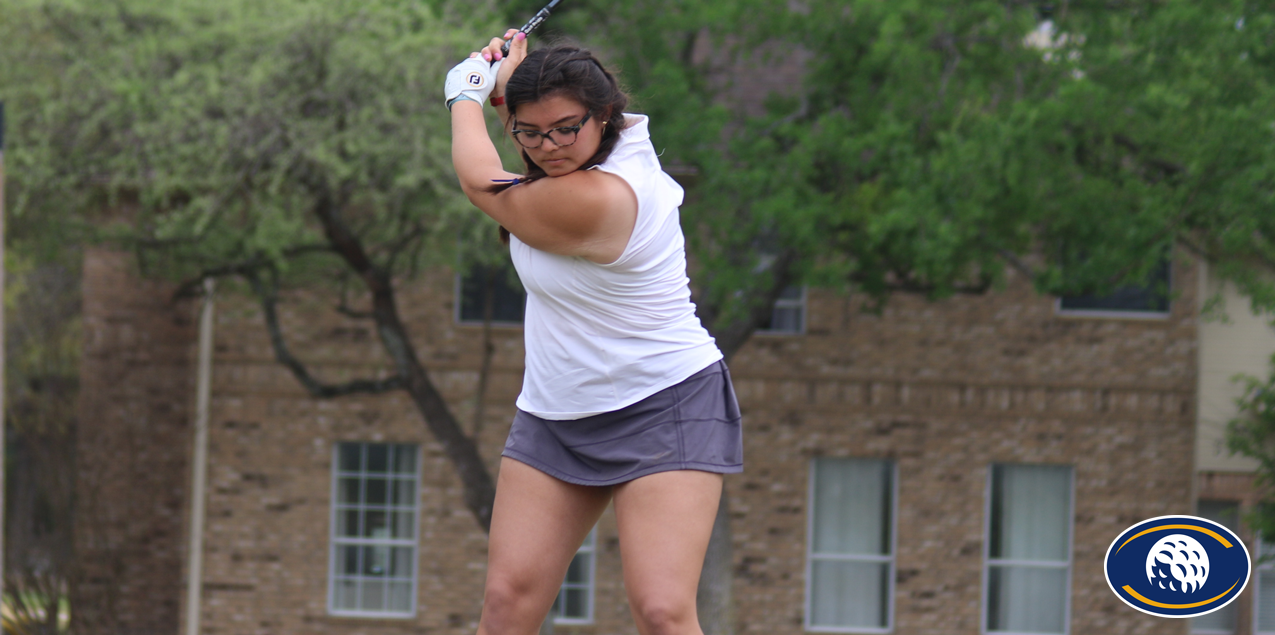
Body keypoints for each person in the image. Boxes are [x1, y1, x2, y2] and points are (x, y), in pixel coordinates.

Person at [446, 28, 743, 635]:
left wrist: (463, 98)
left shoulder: (606, 195)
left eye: (565, 129)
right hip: (556, 414)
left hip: (667, 402)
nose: (549, 146)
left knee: (661, 612)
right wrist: (506, 91)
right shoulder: (575, 155)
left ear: (605, 116)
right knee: (506, 607)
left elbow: (480, 181)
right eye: (530, 132)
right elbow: (534, 146)